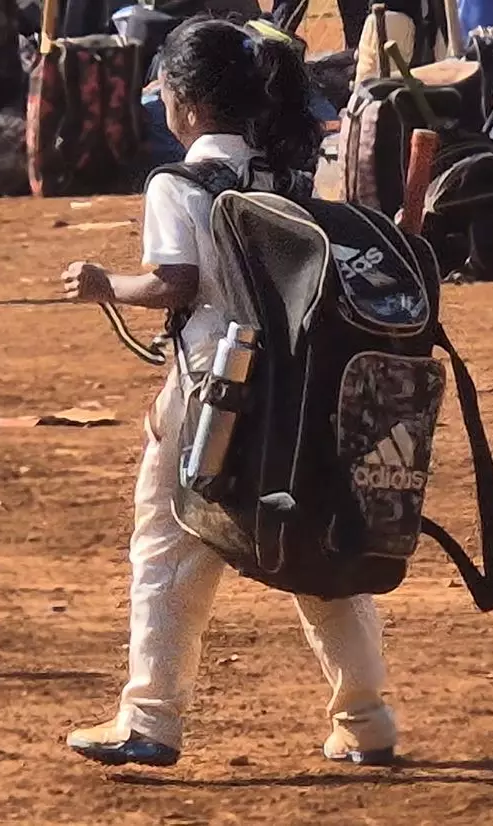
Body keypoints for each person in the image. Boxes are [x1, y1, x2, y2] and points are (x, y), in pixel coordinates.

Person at [56, 18, 398, 768]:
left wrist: (101, 285)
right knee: (317, 547)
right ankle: (366, 720)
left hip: (212, 385)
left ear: (182, 100)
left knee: (168, 547)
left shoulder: (175, 183)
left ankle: (149, 717)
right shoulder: (287, 173)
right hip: (302, 383)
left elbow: (175, 282)